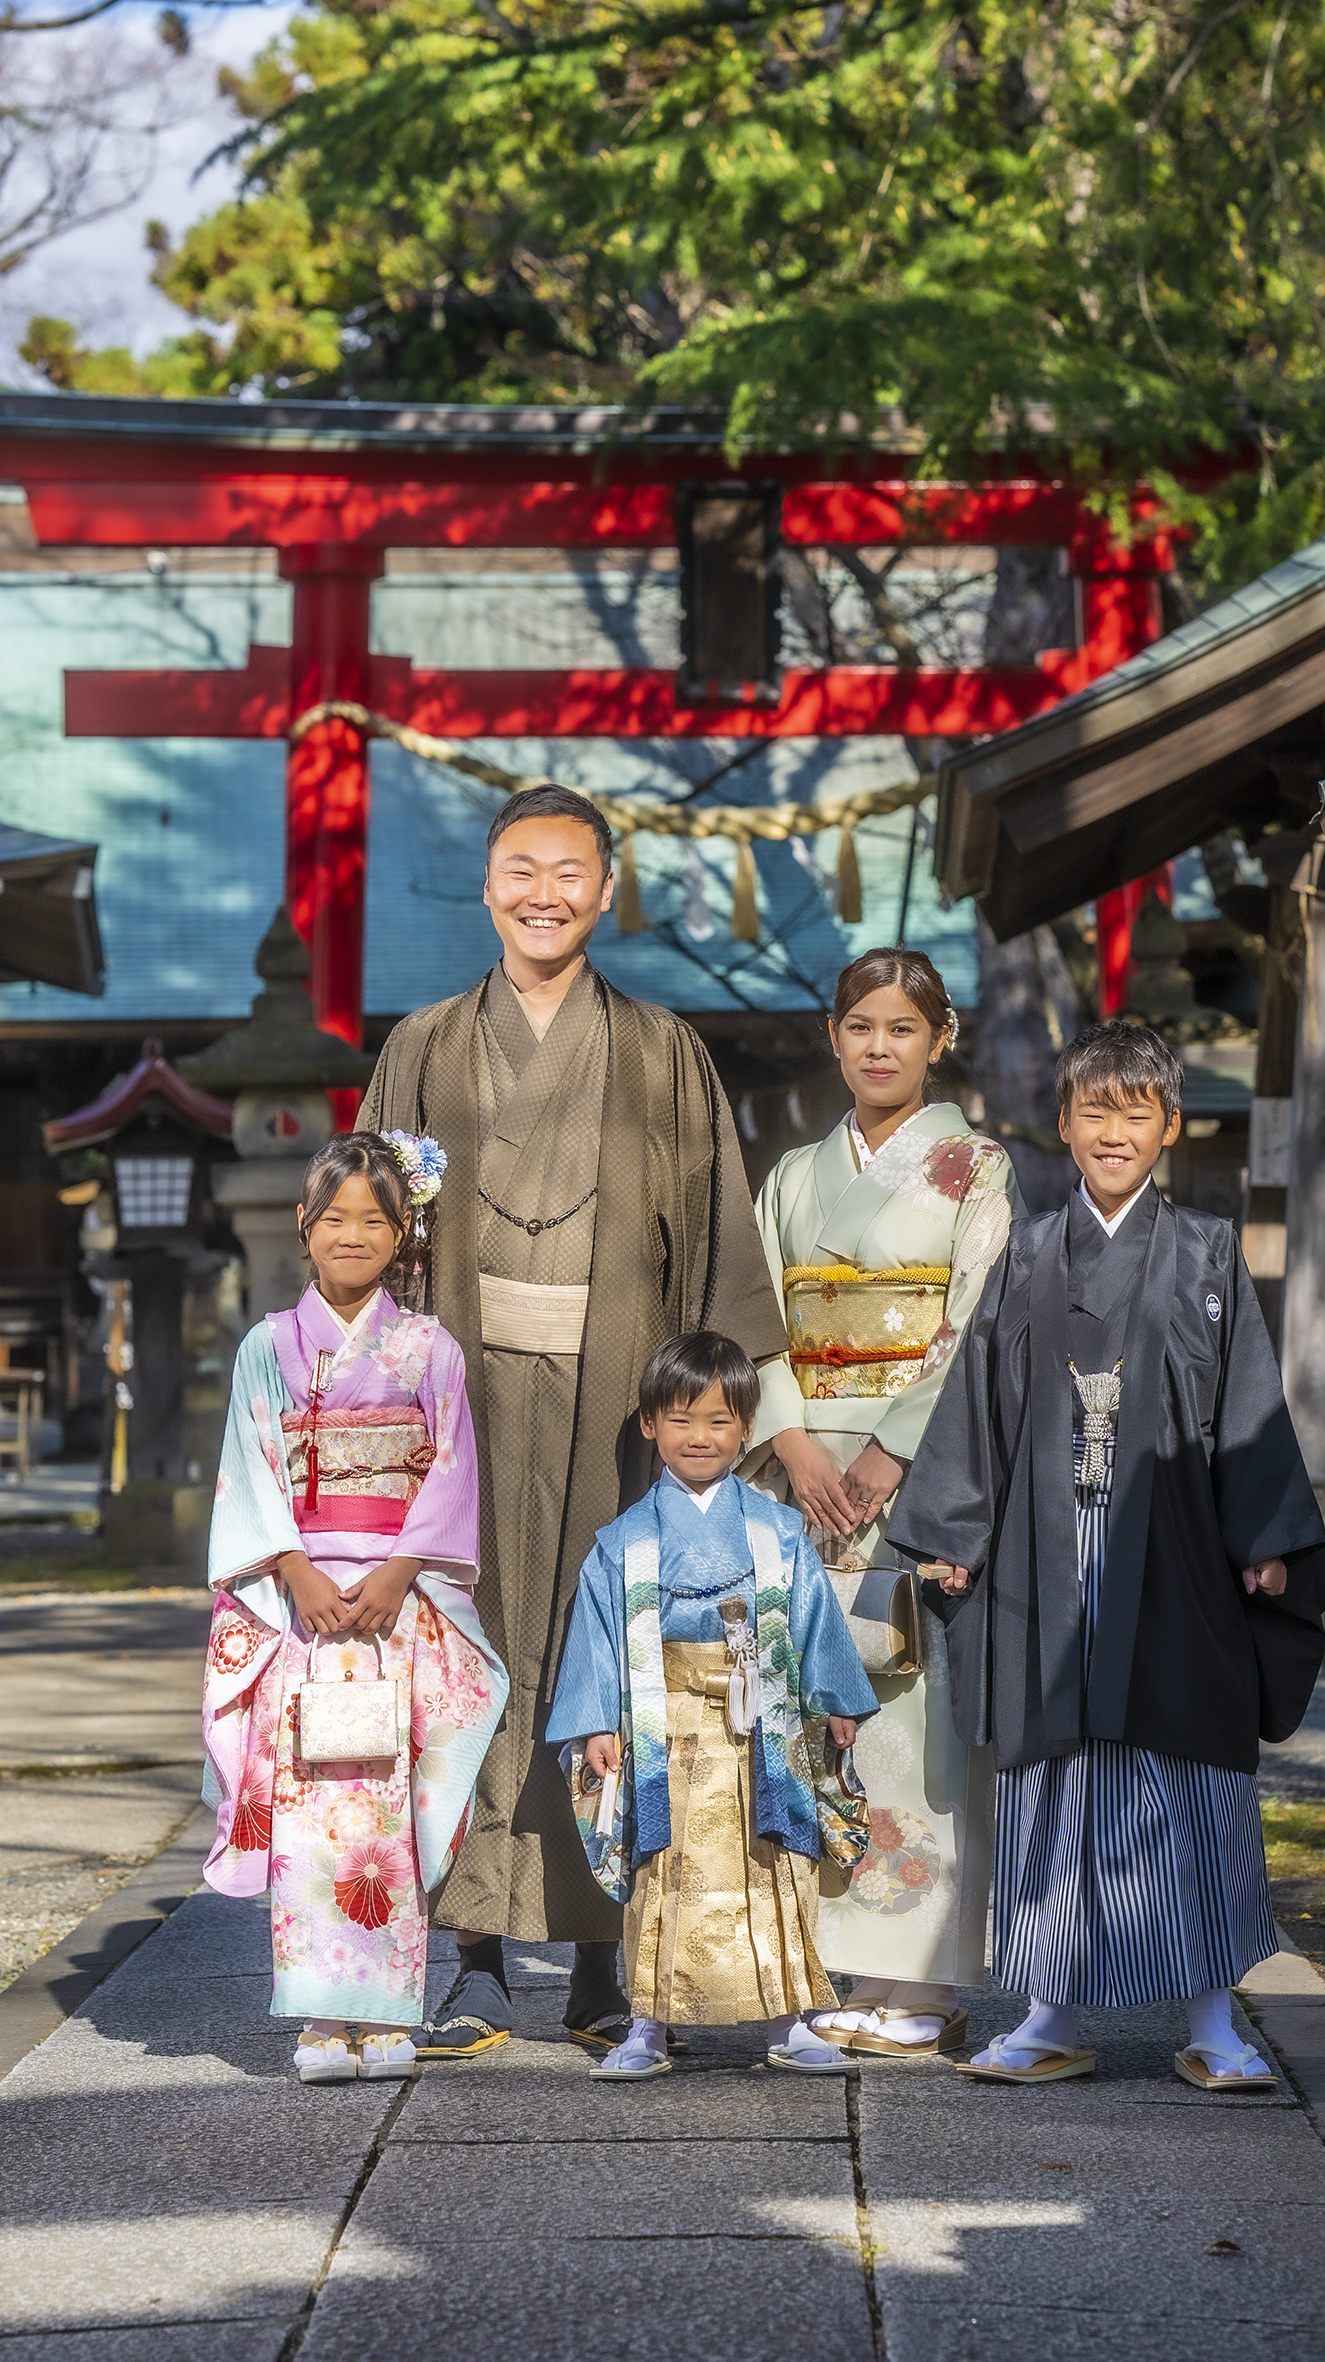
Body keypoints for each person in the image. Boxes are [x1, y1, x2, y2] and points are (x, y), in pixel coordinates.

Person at [356, 786, 786, 2056]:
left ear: (607, 893)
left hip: (616, 1397)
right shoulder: (426, 1044)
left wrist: (706, 1431)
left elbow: (711, 1246)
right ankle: (475, 1953)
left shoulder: (661, 1050)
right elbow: (366, 1230)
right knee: (464, 1655)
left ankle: (607, 1954)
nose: (543, 893)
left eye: (569, 873)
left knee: (617, 1654)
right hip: (463, 1401)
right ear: (486, 886)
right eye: (519, 869)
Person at [889, 1021, 1325, 2091]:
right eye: (1094, 1110)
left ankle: (1215, 2020)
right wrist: (954, 1532)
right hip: (1048, 1562)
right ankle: (1050, 2012)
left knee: (1187, 1775)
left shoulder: (1205, 1251)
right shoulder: (1032, 1251)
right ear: (1063, 1122)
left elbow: (1248, 1404)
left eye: (1135, 1112)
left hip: (1176, 1556)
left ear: (1170, 1128)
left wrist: (1268, 1534)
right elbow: (979, 1405)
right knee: (1057, 1782)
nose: (1113, 1131)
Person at [748, 949, 1021, 2059]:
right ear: (833, 1036)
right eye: (859, 1024)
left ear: (938, 1039)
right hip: (801, 1471)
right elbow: (755, 1312)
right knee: (810, 1714)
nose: (877, 1045)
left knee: (913, 1716)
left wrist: (892, 1452)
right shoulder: (791, 1177)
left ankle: (921, 1984)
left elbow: (977, 1317)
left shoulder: (977, 1166)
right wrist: (798, 1441)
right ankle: (820, 1957)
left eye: (901, 1029)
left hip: (917, 1469)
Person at [200, 1133, 507, 2081]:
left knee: (384, 1806)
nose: (352, 1235)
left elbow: (451, 1466)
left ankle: (384, 2016)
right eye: (335, 1219)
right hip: (303, 1607)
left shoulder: (429, 1348)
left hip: (395, 1601)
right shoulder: (267, 1347)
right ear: (304, 1227)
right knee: (307, 1807)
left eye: (373, 1220)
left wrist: (400, 1569)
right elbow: (250, 1470)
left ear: (403, 1231)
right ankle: (318, 2020)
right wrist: (291, 1571)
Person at [546, 1331, 878, 2079]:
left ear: (747, 1430)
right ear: (648, 1424)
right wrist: (597, 1721)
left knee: (775, 1857)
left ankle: (789, 2019)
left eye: (719, 1421)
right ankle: (649, 2023)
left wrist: (833, 1700)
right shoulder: (621, 1541)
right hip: (662, 1724)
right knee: (661, 1867)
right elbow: (597, 1638)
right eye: (681, 1419)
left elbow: (813, 1618)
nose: (699, 1437)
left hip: (762, 1721)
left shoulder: (777, 1530)